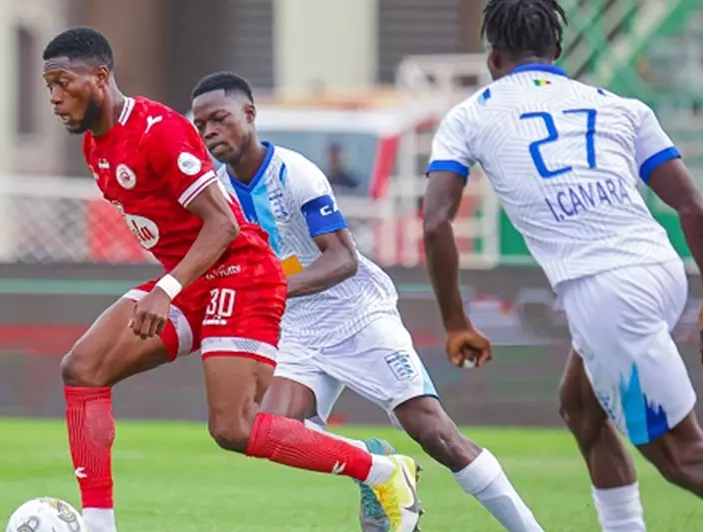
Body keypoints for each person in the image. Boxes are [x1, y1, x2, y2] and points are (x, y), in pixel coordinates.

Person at [42, 27, 421, 532]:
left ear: (100, 76)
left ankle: (382, 471)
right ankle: (97, 526)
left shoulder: (158, 130)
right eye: (49, 86)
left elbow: (222, 225)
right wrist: (174, 286)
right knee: (83, 368)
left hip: (242, 273)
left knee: (233, 429)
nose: (54, 97)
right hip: (193, 280)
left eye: (63, 82)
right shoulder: (96, 146)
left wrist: (166, 290)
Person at [192, 70, 544, 532]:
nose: (210, 132)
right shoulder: (217, 193)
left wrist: (270, 290)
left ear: (249, 114)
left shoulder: (294, 173)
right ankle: (376, 465)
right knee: (265, 429)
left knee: (434, 432)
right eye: (201, 125)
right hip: (295, 328)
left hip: (356, 314)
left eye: (219, 119)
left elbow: (343, 258)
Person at [423, 1, 703, 531]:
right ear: (556, 50)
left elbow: (437, 222)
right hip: (660, 269)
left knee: (682, 456)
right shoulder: (618, 105)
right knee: (581, 408)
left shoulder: (470, 116)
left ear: (494, 58)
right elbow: (691, 205)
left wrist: (457, 322)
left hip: (606, 291)